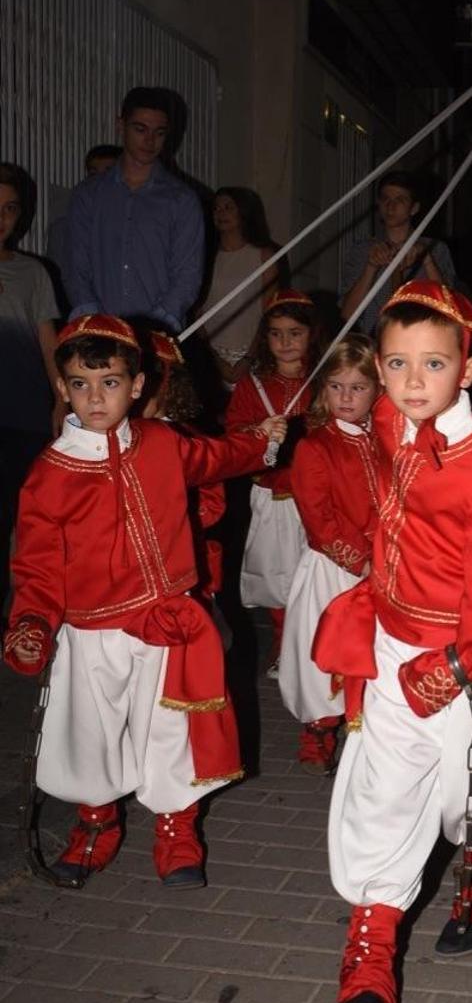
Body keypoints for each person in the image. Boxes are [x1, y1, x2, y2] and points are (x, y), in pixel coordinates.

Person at [312, 281, 472, 1003]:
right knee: (383, 791)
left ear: (468, 372)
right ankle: (371, 953)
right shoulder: (392, 420)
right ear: (378, 371)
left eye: (435, 364)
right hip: (389, 640)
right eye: (399, 364)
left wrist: (457, 662)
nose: (414, 382)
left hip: (469, 653)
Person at [2, 315, 284, 887]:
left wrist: (262, 440)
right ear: (63, 388)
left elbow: (217, 458)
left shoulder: (162, 443)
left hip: (166, 621)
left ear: (137, 386)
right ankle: (96, 825)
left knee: (170, 732)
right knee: (90, 734)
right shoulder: (49, 475)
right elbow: (35, 563)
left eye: (110, 382)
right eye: (81, 383)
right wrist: (31, 621)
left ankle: (177, 832)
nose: (95, 397)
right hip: (92, 632)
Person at [280, 336, 380, 771]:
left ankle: (368, 728)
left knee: (374, 652)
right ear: (323, 390)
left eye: (358, 387)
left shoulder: (387, 443)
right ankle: (318, 730)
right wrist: (360, 559)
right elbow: (320, 520)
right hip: (335, 570)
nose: (346, 397)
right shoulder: (315, 446)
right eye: (336, 386)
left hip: (383, 567)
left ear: (378, 390)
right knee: (323, 655)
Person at [226, 290, 325, 675]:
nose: (285, 343)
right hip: (274, 496)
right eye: (276, 333)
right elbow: (234, 433)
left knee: (315, 573)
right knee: (278, 578)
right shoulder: (254, 386)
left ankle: (316, 648)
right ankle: (285, 645)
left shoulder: (325, 380)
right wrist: (259, 433)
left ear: (311, 335)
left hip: (316, 495)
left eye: (294, 333)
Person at [65, 88, 206, 332]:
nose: (150, 141)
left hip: (158, 337)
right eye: (140, 129)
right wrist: (96, 323)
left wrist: (155, 327)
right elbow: (75, 266)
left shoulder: (182, 200)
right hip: (99, 333)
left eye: (159, 133)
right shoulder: (88, 195)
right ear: (121, 125)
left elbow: (188, 275)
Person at [0, 163, 60, 608]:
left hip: (24, 412)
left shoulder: (33, 273)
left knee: (24, 518)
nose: (2, 218)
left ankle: (26, 615)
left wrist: (60, 400)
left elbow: (47, 341)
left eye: (10, 209)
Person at [140, 329, 227, 604]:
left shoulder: (188, 440)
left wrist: (170, 518)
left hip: (180, 558)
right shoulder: (117, 437)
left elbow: (212, 503)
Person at [340, 172, 456, 338]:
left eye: (400, 200)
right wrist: (370, 267)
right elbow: (346, 315)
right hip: (374, 343)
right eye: (385, 199)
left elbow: (451, 309)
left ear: (414, 208)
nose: (390, 206)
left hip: (422, 341)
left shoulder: (435, 249)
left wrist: (427, 261)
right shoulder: (362, 250)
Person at [200, 188, 283, 387]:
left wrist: (248, 358)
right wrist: (213, 358)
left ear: (244, 212)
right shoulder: (203, 257)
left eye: (228, 207)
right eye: (216, 208)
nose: (220, 213)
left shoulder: (264, 256)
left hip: (250, 357)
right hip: (210, 358)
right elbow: (196, 310)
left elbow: (270, 313)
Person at [45, 143, 121, 293]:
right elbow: (57, 284)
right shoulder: (63, 229)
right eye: (93, 174)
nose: (99, 180)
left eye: (108, 173)